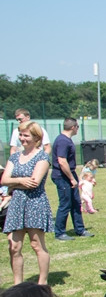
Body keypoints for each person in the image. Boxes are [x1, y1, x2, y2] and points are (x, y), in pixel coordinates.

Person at [2, 121, 52, 284]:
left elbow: (35, 182)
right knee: (13, 246)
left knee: (36, 244)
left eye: (26, 135)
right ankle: (18, 284)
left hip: (35, 203)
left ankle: (42, 282)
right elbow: (4, 179)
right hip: (16, 204)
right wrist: (21, 180)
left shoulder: (42, 157)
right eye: (20, 135)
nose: (22, 139)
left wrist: (13, 184)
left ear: (36, 137)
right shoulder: (15, 156)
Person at [50, 118, 93, 241]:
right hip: (62, 176)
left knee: (76, 203)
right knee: (65, 204)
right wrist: (71, 178)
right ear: (74, 127)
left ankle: (80, 229)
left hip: (69, 174)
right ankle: (59, 232)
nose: (77, 129)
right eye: (77, 127)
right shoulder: (63, 141)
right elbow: (62, 161)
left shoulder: (65, 140)